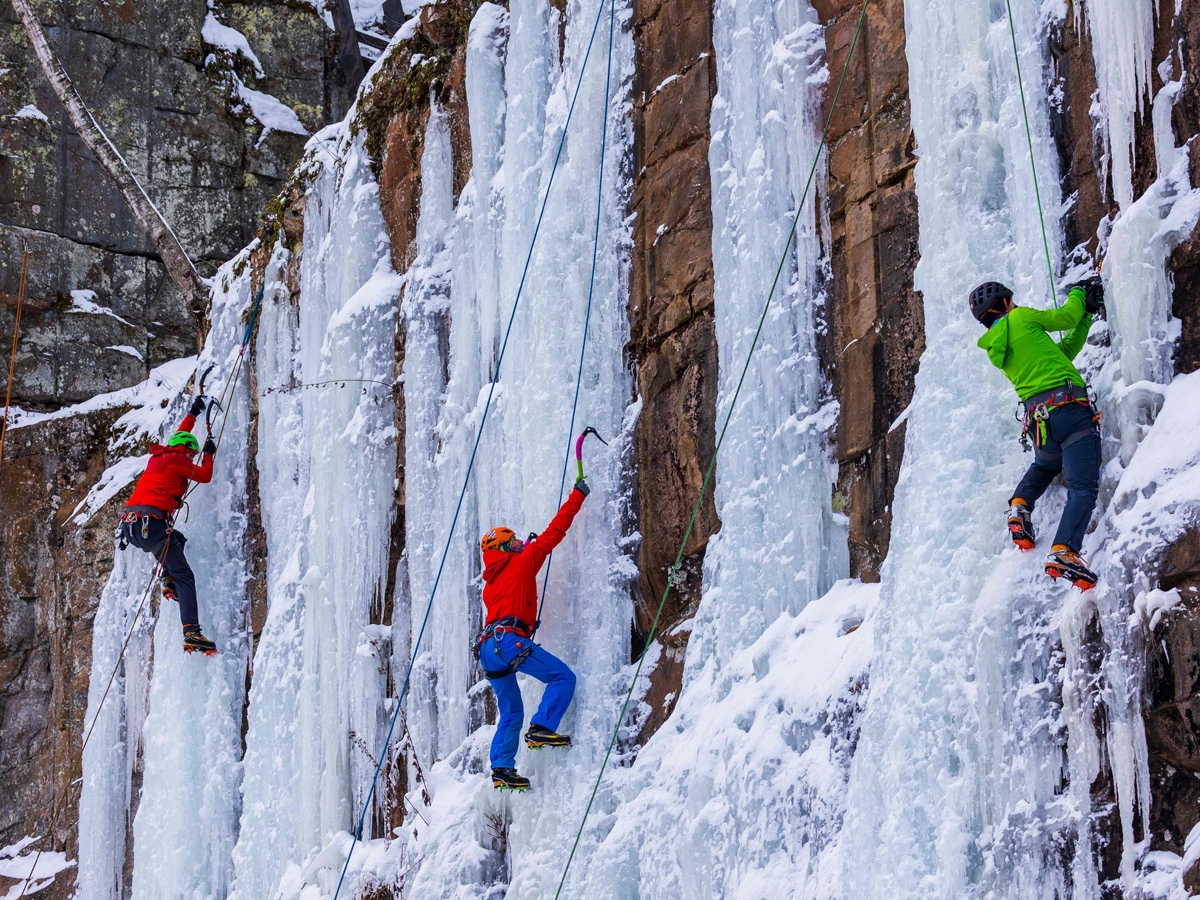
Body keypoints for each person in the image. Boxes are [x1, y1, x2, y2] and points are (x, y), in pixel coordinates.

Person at [971, 277, 1105, 589]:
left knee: (1046, 465)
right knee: (1083, 487)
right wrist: (1079, 294)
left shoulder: (997, 345)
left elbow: (1063, 354)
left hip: (1040, 422)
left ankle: (1020, 505)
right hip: (1069, 410)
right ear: (1005, 304)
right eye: (1011, 300)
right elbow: (1065, 317)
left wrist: (1086, 316)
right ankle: (1064, 551)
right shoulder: (1020, 316)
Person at [477, 478, 590, 791]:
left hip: (489, 647)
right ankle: (542, 728)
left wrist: (523, 550)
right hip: (509, 641)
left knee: (511, 710)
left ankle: (502, 768)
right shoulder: (523, 561)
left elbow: (514, 589)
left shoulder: (491, 582)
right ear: (503, 548)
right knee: (563, 677)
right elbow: (555, 531)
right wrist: (577, 496)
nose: (518, 544)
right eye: (512, 542)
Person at [120, 396, 218, 654]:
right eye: (191, 453)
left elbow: (179, 436)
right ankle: (192, 632)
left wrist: (193, 414)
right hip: (151, 525)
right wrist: (208, 454)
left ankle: (168, 580)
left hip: (133, 527)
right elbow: (205, 475)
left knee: (179, 540)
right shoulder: (178, 460)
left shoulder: (160, 457)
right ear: (185, 451)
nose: (191, 458)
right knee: (185, 576)